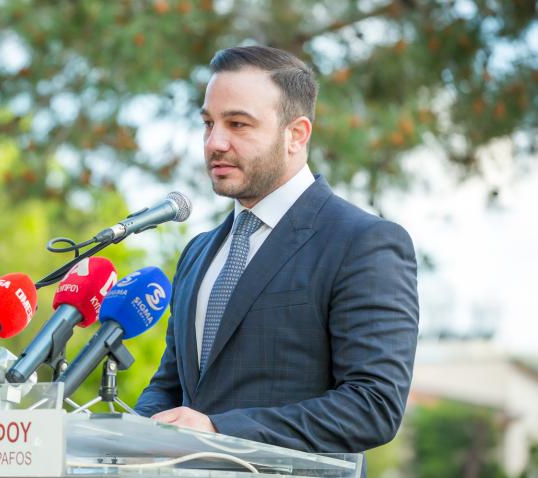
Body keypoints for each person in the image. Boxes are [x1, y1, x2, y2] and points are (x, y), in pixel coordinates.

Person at [134, 45, 419, 460]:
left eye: (238, 124)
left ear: (296, 134)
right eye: (209, 123)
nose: (215, 142)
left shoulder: (363, 243)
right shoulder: (197, 252)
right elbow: (170, 386)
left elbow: (373, 406)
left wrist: (219, 431)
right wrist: (129, 434)